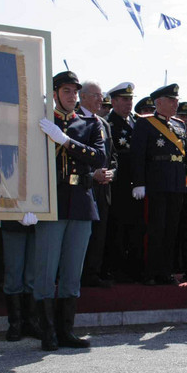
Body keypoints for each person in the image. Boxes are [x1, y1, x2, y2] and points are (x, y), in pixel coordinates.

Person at [34, 71, 105, 351]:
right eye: (66, 91)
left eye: (75, 92)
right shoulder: (43, 120)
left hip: (81, 201)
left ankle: (66, 331)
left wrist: (64, 140)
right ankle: (47, 332)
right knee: (46, 269)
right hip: (51, 201)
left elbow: (99, 156)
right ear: (54, 93)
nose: (72, 96)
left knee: (72, 271)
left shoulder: (89, 123)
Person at [130, 84, 187, 285]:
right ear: (159, 102)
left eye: (176, 100)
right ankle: (151, 272)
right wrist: (139, 182)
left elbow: (185, 149)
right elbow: (137, 155)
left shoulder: (179, 125)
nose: (176, 104)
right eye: (172, 100)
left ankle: (165, 271)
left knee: (171, 229)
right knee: (156, 229)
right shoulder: (145, 124)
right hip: (156, 182)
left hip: (177, 182)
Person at [104, 81, 145, 283]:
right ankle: (115, 269)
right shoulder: (108, 124)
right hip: (118, 185)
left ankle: (133, 268)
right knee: (117, 228)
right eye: (124, 99)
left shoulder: (136, 122)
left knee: (135, 227)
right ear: (113, 101)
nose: (128, 103)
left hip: (137, 184)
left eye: (130, 99)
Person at [79, 81, 117, 288]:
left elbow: (112, 156)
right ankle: (77, 273)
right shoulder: (75, 119)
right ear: (82, 97)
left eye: (101, 95)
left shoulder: (104, 124)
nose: (100, 99)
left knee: (99, 233)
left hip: (104, 187)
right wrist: (92, 173)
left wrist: (112, 172)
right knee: (82, 234)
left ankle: (93, 273)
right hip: (84, 186)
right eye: (96, 95)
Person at [0, 214, 40, 342]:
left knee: (32, 276)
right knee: (13, 274)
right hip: (12, 217)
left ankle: (32, 322)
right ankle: (15, 324)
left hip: (39, 219)